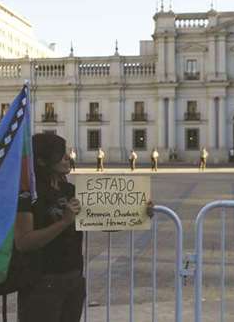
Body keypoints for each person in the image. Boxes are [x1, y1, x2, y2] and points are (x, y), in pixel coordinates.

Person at [14, 133, 154, 322]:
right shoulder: (28, 195)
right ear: (41, 160)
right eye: (60, 154)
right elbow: (24, 242)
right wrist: (63, 222)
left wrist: (139, 212)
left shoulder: (70, 190)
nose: (67, 158)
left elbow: (101, 220)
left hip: (73, 280)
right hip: (41, 284)